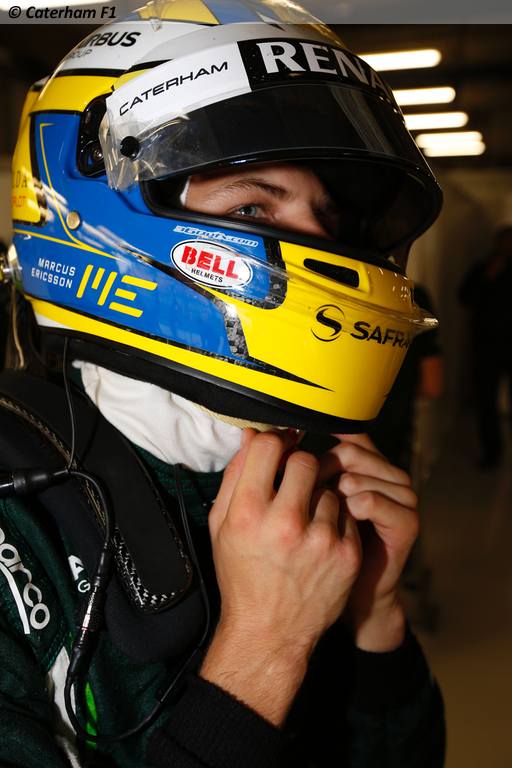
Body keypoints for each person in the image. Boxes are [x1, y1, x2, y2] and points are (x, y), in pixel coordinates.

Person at [0, 2, 445, 766]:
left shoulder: (307, 477)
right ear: (92, 205)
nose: (313, 244)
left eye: (326, 217)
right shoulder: (20, 518)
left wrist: (374, 616)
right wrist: (265, 649)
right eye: (253, 205)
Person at [459, 226, 512, 469]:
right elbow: (464, 297)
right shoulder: (483, 268)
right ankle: (492, 453)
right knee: (486, 402)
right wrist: (487, 276)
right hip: (487, 346)